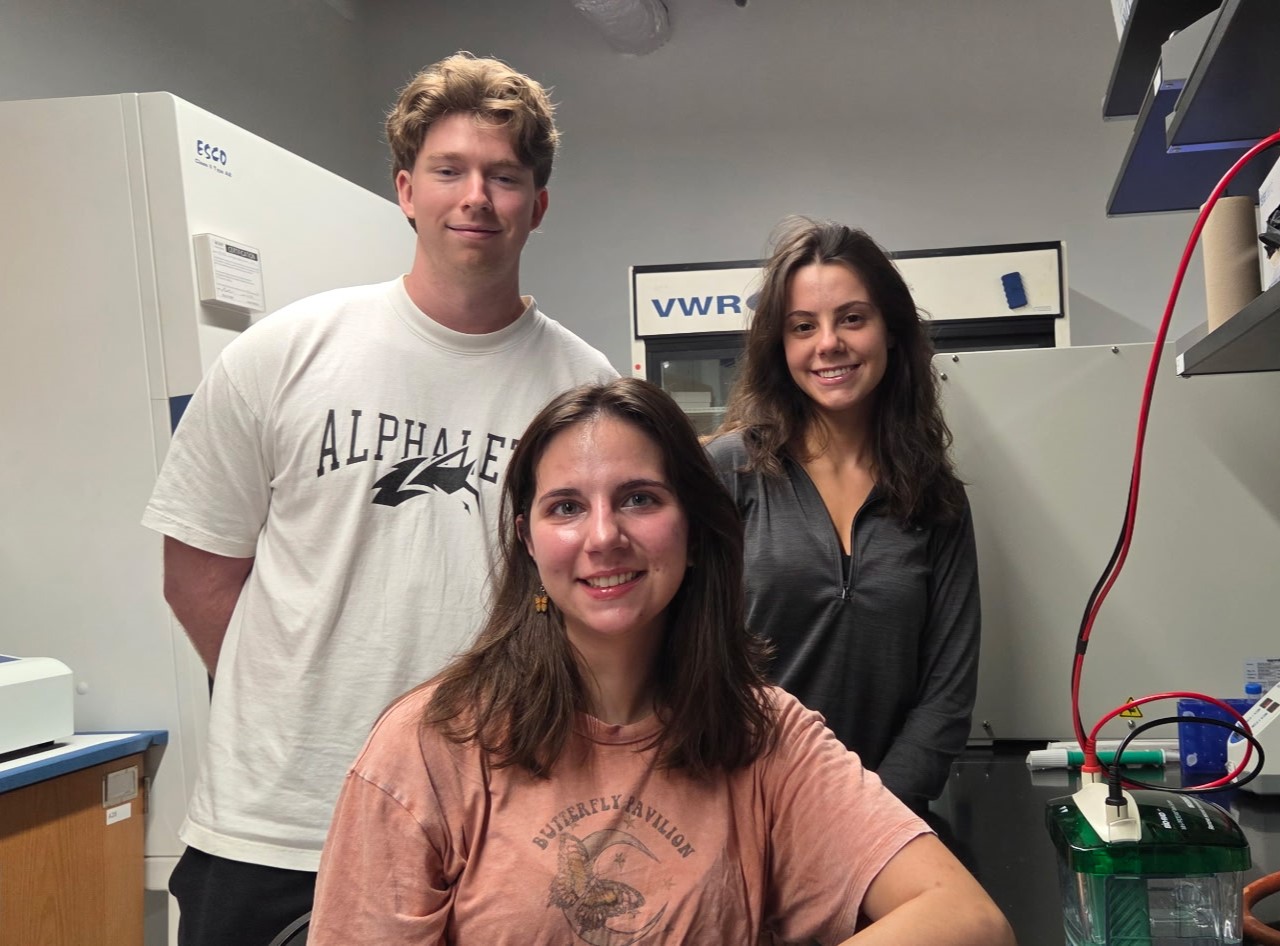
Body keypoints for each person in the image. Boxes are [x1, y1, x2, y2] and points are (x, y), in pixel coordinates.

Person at [141, 52, 616, 945]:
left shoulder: (580, 389)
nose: (475, 196)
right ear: (405, 189)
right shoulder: (282, 355)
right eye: (449, 171)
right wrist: (300, 692)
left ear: (537, 206)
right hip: (276, 828)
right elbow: (197, 575)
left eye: (504, 177)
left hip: (489, 822)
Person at [307, 378, 1013, 945]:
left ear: (697, 529)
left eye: (639, 499)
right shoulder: (429, 746)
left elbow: (966, 920)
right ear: (527, 539)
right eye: (565, 508)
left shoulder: (766, 736)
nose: (604, 535)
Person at [706, 217, 980, 813]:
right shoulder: (726, 474)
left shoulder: (935, 498)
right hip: (745, 815)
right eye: (803, 327)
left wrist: (871, 819)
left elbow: (947, 694)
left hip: (890, 821)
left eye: (852, 318)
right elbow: (685, 662)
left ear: (890, 331)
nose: (828, 342)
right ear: (780, 348)